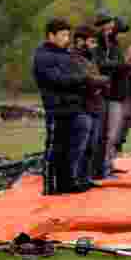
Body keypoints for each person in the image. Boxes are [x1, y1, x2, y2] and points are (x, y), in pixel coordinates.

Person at [32, 19, 88, 194]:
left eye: (68, 35)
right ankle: (49, 186)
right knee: (54, 148)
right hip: (56, 107)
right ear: (51, 36)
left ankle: (66, 183)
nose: (67, 38)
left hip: (72, 106)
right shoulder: (43, 56)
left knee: (68, 147)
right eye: (63, 35)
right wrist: (81, 80)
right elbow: (56, 79)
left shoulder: (66, 54)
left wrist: (81, 80)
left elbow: (77, 75)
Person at [94, 11, 131, 177]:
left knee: (114, 132)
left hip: (118, 92)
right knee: (108, 133)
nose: (111, 27)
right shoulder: (99, 43)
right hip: (109, 93)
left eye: (112, 24)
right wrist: (123, 65)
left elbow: (125, 25)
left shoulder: (112, 41)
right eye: (107, 24)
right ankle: (103, 167)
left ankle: (108, 163)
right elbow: (102, 64)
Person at [70, 25, 110, 190]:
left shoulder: (89, 58)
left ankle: (85, 178)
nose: (94, 45)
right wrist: (101, 80)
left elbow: (95, 79)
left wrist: (99, 81)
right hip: (82, 107)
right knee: (80, 146)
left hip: (95, 105)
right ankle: (73, 179)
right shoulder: (74, 58)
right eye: (91, 41)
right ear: (80, 41)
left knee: (90, 147)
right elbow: (87, 80)